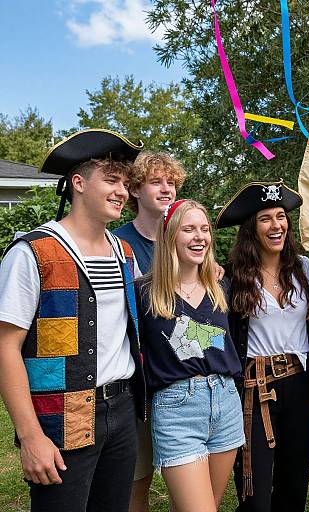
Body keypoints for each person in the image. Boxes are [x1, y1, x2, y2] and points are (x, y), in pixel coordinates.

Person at [0, 129, 146, 512]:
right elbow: (5, 347)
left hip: (121, 410)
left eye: (126, 184)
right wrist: (30, 436)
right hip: (62, 418)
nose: (122, 192)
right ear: (78, 183)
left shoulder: (124, 252)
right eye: (111, 180)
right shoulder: (34, 252)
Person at [136, 199, 244, 512]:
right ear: (170, 235)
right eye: (188, 229)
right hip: (177, 408)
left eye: (204, 229)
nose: (199, 236)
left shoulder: (220, 286)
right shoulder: (145, 291)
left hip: (226, 404)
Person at [216, 180, 309, 512]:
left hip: (300, 383)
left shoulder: (303, 269)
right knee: (254, 494)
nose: (276, 225)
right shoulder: (232, 277)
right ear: (251, 229)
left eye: (280, 216)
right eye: (265, 219)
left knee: (294, 484)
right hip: (253, 388)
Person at [113, 150, 186, 512]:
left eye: (171, 183)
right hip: (137, 380)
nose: (166, 189)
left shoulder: (184, 239)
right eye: (156, 182)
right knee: (136, 479)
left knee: (183, 477)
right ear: (135, 191)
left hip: (179, 377)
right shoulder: (117, 243)